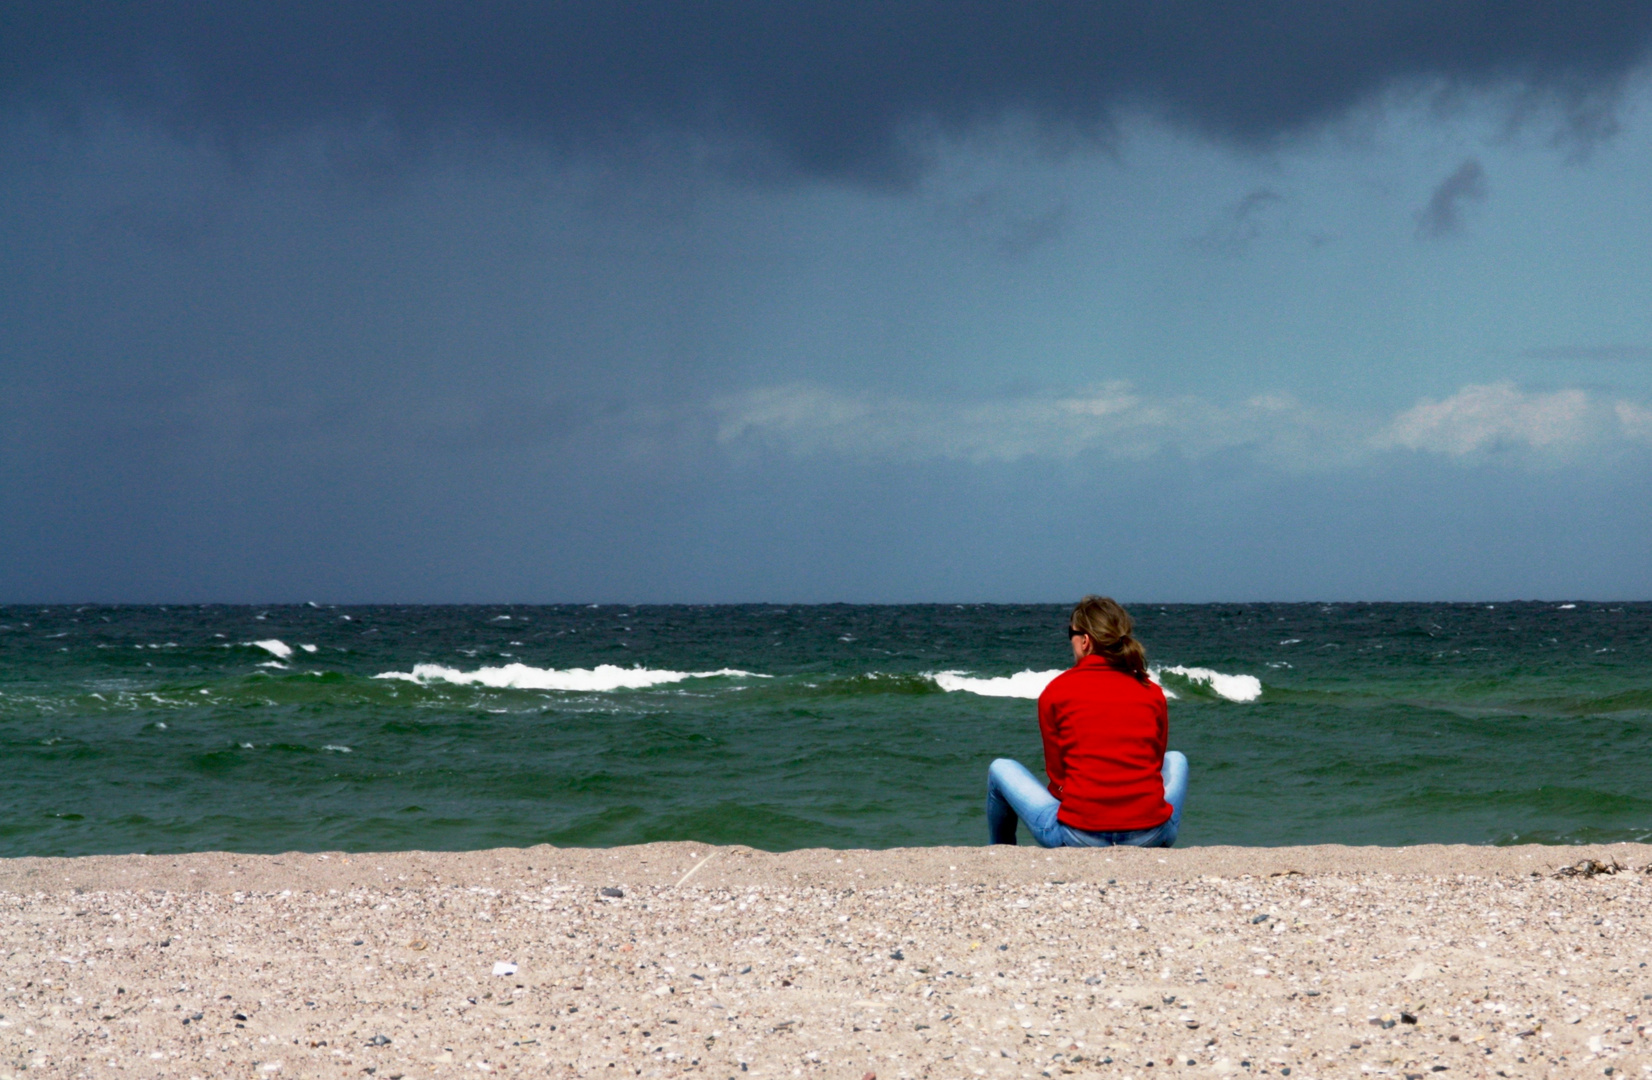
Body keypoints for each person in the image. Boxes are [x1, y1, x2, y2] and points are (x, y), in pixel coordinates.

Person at [986, 596, 1187, 847]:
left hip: (1079, 836)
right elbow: (1155, 762)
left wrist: (1085, 807)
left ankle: (1001, 852)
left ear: (1085, 640)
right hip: (1151, 834)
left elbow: (1058, 775)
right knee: (1177, 758)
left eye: (1071, 633)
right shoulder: (1150, 690)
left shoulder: (1056, 691)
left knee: (999, 768)